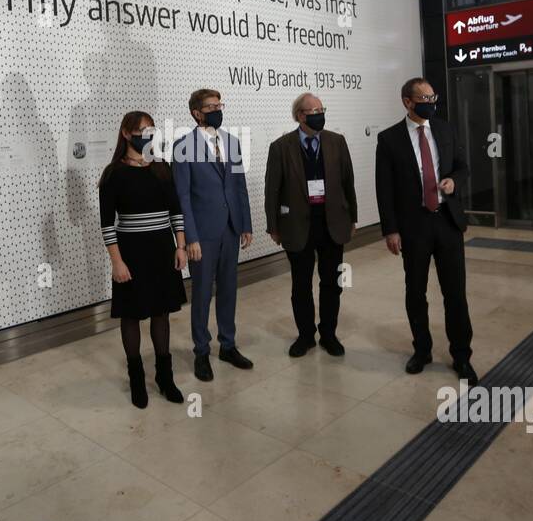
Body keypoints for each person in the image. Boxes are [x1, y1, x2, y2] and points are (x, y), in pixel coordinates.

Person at [374, 78, 478, 385]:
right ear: (407, 101)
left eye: (433, 97)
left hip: (447, 221)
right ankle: (422, 350)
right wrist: (391, 230)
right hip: (413, 226)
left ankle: (461, 355)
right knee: (415, 292)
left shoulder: (445, 129)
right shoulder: (389, 139)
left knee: (455, 292)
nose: (431, 103)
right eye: (424, 98)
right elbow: (385, 189)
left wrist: (454, 182)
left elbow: (462, 166)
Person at [99, 112, 189, 408]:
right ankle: (137, 379)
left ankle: (165, 377)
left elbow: (176, 211)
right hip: (131, 252)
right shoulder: (113, 173)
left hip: (163, 249)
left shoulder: (162, 167)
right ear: (126, 133)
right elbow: (107, 224)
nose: (148, 135)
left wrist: (181, 246)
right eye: (142, 130)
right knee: (132, 314)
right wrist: (117, 262)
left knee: (162, 313)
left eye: (151, 129)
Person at [265, 92, 358, 358]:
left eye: (321, 109)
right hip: (297, 225)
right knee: (301, 284)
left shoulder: (336, 142)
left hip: (332, 223)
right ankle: (305, 336)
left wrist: (352, 217)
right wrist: (273, 225)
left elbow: (347, 182)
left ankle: (329, 334)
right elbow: (272, 189)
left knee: (332, 283)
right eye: (313, 110)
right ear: (299, 116)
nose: (319, 114)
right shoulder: (281, 147)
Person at [172, 88, 254, 381]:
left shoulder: (231, 143)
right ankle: (201, 351)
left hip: (231, 229)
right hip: (203, 235)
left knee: (229, 291)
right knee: (203, 294)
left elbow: (239, 186)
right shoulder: (183, 147)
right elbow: (182, 197)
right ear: (197, 113)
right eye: (211, 106)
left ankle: (228, 345)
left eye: (220, 104)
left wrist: (246, 224)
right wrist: (190, 238)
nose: (218, 109)